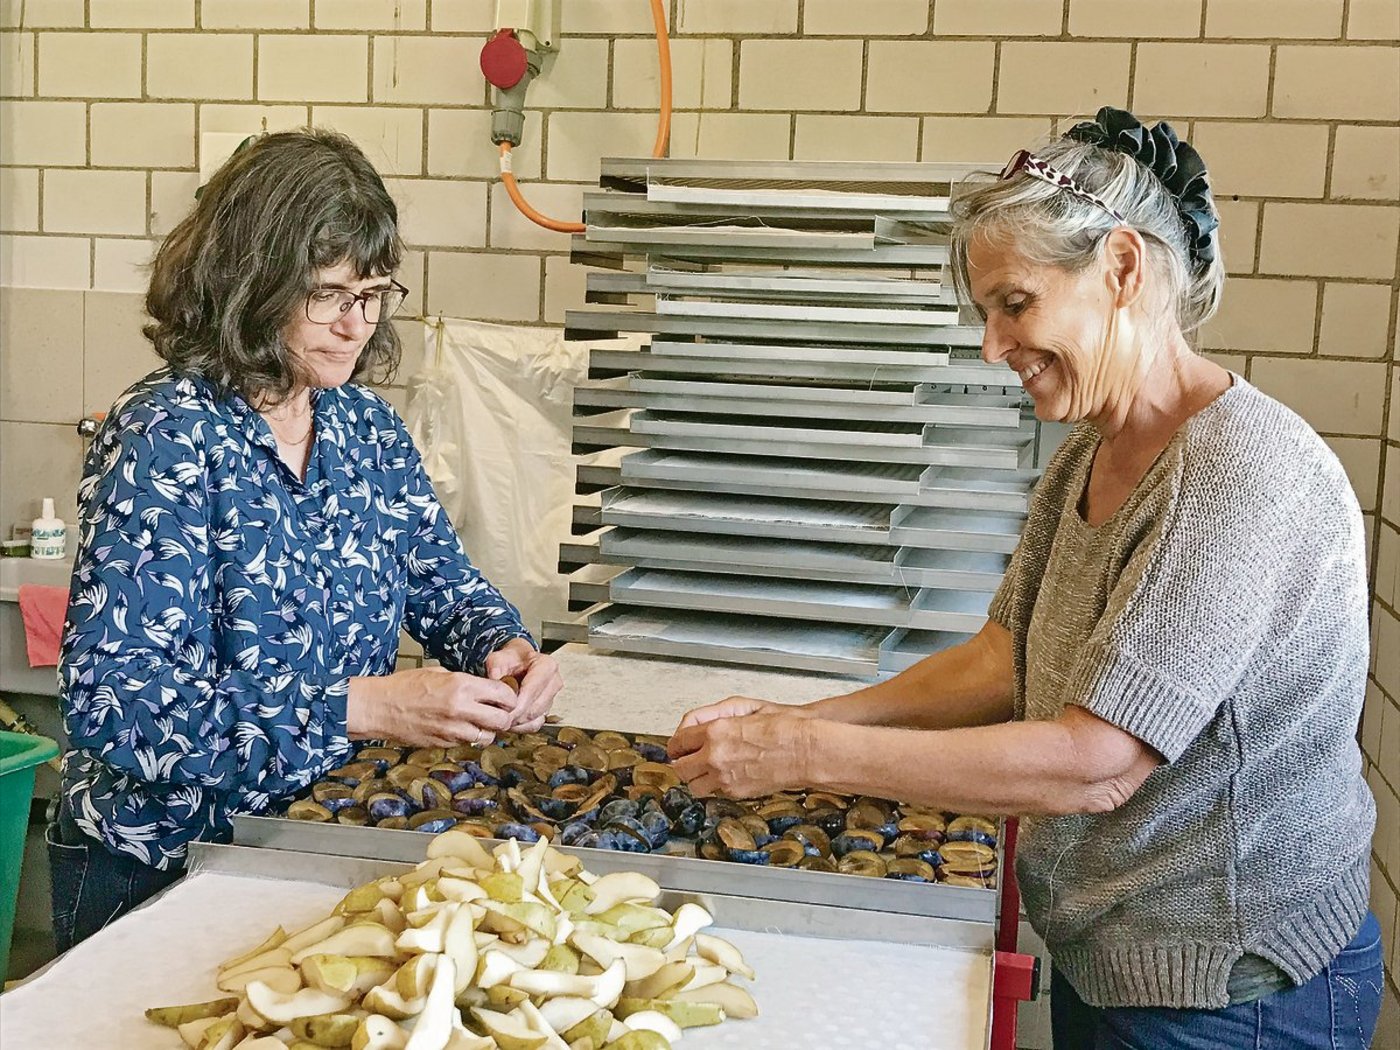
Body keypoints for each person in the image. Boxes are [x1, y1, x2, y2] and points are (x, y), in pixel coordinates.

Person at [666, 108, 1382, 1049]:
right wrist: (795, 721)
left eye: (1014, 304)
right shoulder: (1089, 456)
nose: (993, 348)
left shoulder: (1237, 474)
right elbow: (1004, 659)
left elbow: (1097, 764)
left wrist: (804, 757)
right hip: (1120, 953)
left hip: (1236, 992)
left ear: (1122, 269)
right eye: (986, 315)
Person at [50, 129, 562, 951]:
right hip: (164, 866)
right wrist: (364, 707)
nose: (355, 325)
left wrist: (501, 644)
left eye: (374, 294)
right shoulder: (168, 439)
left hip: (321, 841)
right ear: (252, 282)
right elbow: (121, 707)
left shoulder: (367, 429)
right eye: (327, 295)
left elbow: (442, 581)